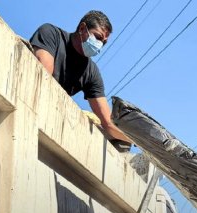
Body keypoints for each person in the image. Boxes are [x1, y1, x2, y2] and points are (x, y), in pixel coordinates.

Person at [29, 11, 132, 146]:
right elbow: (43, 80)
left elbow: (107, 123)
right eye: (98, 37)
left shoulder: (91, 72)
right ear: (82, 29)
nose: (100, 45)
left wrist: (139, 142)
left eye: (104, 42)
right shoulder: (51, 34)